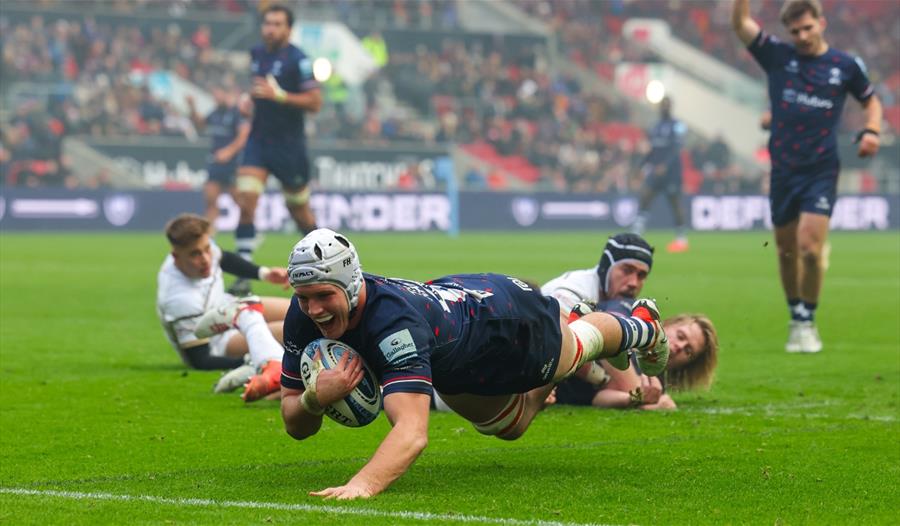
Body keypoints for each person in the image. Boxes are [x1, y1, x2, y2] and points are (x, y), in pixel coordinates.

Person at [278, 228, 671, 499]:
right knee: (510, 426)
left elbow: (412, 432)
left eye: (323, 296)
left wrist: (362, 485)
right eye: (303, 296)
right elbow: (295, 422)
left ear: (350, 285)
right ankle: (574, 327)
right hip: (452, 349)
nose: (313, 309)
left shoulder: (393, 324)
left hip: (504, 322)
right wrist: (315, 398)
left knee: (579, 347)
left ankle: (640, 326)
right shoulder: (303, 314)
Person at [732, 0, 882, 353]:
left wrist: (872, 129)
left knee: (810, 249)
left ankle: (806, 321)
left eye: (807, 28)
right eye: (795, 31)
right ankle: (795, 313)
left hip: (821, 169)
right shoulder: (778, 56)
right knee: (786, 251)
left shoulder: (845, 66)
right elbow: (740, 24)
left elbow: (871, 101)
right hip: (783, 169)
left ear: (821, 23)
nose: (801, 36)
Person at [232, 3, 323, 295]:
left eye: (276, 24)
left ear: (288, 29)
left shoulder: (300, 60)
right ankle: (243, 273)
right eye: (266, 23)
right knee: (246, 201)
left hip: (289, 147)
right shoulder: (257, 54)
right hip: (259, 141)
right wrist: (248, 100)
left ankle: (325, 262)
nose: (269, 29)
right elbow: (258, 89)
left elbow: (314, 102)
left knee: (300, 213)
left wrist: (279, 95)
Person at [156, 213, 290, 401]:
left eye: (207, 249)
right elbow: (200, 359)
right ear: (175, 257)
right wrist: (244, 362)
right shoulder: (179, 298)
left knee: (299, 311)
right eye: (195, 254)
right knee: (291, 329)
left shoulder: (204, 252)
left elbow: (225, 258)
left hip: (232, 307)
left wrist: (265, 274)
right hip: (220, 341)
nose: (205, 259)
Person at [630, 97, 690, 253]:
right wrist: (641, 166)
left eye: (667, 105)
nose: (664, 108)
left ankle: (681, 238)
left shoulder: (677, 125)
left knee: (675, 203)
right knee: (645, 197)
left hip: (671, 173)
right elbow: (652, 150)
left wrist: (665, 165)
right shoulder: (655, 127)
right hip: (656, 171)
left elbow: (677, 149)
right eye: (662, 105)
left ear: (671, 107)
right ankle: (636, 233)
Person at [185, 88, 251, 226]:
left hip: (233, 163)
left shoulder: (236, 113)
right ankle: (209, 237)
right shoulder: (215, 113)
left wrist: (229, 151)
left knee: (239, 200)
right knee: (210, 200)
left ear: (227, 94)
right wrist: (192, 107)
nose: (215, 97)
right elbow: (200, 125)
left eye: (218, 94)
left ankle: (250, 228)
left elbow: (244, 135)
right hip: (215, 162)